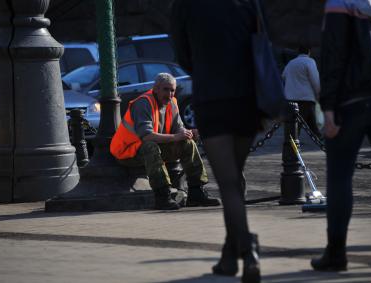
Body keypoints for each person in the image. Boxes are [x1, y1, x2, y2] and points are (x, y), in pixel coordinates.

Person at [312, 0, 371, 271]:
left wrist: (329, 106)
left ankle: (335, 254)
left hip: (352, 100)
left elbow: (334, 54)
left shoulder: (340, 3)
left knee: (340, 177)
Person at [171, 1, 262, 282]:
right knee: (236, 178)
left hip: (213, 98)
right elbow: (261, 44)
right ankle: (228, 257)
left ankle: (249, 252)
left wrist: (206, 66)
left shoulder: (185, 6)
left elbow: (182, 55)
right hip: (248, 98)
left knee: (228, 184)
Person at [110, 73, 220, 210]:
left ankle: (196, 192)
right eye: (166, 89)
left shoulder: (172, 103)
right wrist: (175, 137)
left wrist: (189, 133)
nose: (170, 94)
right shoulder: (143, 103)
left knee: (188, 143)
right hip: (127, 153)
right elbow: (147, 136)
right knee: (150, 147)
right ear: (156, 89)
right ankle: (162, 196)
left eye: (172, 90)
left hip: (153, 147)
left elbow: (179, 129)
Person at [282, 46, 322, 138]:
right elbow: (315, 80)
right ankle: (322, 142)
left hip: (290, 99)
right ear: (309, 52)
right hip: (306, 98)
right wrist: (318, 94)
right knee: (306, 124)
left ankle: (319, 138)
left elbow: (283, 76)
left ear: (298, 52)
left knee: (300, 124)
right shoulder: (310, 61)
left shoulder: (291, 63)